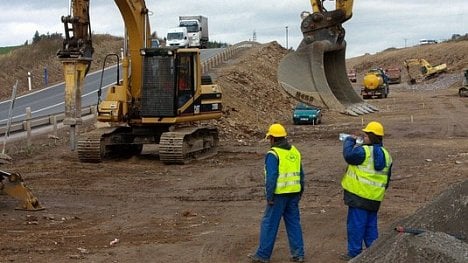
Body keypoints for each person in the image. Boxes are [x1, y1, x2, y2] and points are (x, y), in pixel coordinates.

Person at [248, 123, 305, 263]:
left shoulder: (273, 154)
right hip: (293, 194)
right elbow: (301, 175)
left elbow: (272, 177)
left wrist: (269, 196)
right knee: (293, 224)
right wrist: (300, 192)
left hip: (278, 196)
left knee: (269, 224)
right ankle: (298, 254)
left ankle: (262, 255)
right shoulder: (295, 151)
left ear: (273, 138)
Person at [340, 121, 393, 260]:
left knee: (356, 227)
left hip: (358, 196)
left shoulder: (364, 152)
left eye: (366, 135)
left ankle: (355, 255)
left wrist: (349, 140)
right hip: (375, 198)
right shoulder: (387, 155)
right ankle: (374, 254)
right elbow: (387, 180)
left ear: (372, 136)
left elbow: (348, 155)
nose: (364, 137)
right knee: (371, 228)